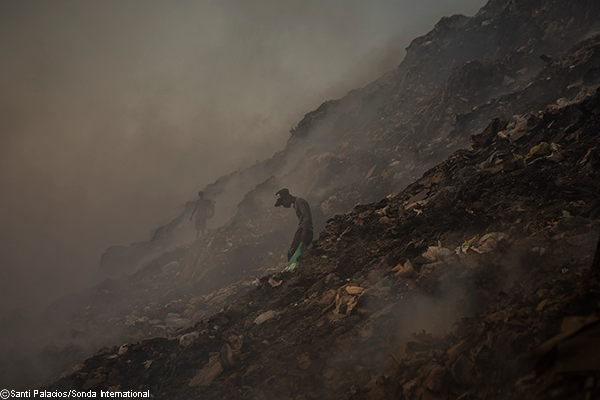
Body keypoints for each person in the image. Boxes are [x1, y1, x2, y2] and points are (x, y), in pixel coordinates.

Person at [275, 188, 313, 271]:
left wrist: (303, 234)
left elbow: (306, 217)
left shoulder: (299, 201)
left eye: (283, 203)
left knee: (291, 252)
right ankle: (298, 270)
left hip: (304, 230)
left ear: (287, 198)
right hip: (304, 230)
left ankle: (294, 271)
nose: (283, 206)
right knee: (296, 253)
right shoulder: (296, 203)